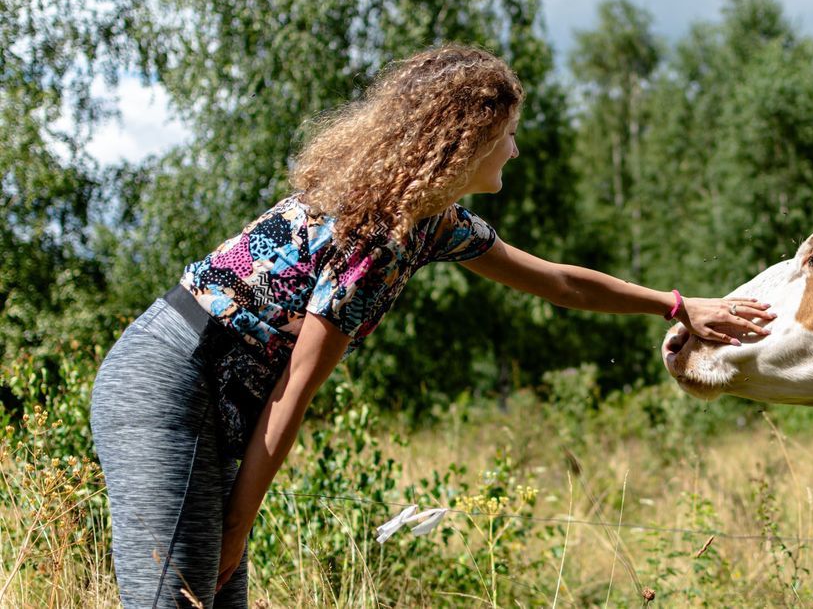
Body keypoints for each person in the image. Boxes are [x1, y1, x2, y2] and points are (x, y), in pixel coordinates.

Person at [89, 44, 775, 607]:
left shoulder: (435, 224)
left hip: (206, 394)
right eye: (504, 135)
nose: (512, 149)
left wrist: (677, 305)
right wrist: (240, 523)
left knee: (208, 601)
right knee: (177, 602)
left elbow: (558, 280)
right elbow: (296, 383)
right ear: (465, 142)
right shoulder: (380, 236)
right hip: (168, 385)